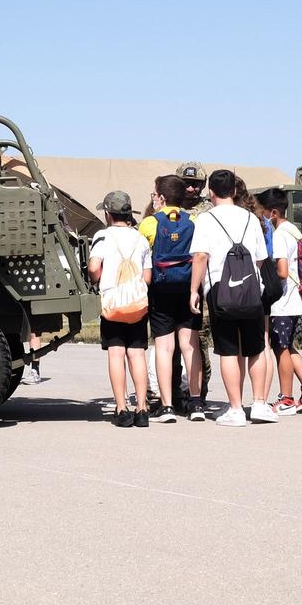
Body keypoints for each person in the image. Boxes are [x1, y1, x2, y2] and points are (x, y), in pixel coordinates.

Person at [188, 169, 277, 427]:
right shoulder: (251, 218)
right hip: (251, 291)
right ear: (235, 191)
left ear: (211, 192)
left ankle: (236, 409)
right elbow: (260, 259)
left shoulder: (206, 220)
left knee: (228, 350)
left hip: (220, 290)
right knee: (256, 348)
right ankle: (259, 403)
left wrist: (194, 290)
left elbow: (200, 257)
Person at [142, 175, 204, 423]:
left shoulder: (149, 224)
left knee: (165, 348)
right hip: (190, 290)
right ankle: (196, 402)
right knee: (191, 347)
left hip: (161, 290)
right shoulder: (195, 221)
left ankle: (167, 405)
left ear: (162, 197)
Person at [90, 190, 153, 428]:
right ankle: (142, 408)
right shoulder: (140, 239)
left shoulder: (102, 236)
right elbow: (147, 277)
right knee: (137, 354)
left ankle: (121, 407)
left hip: (113, 303)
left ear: (107, 213)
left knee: (116, 353)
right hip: (137, 304)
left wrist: (98, 277)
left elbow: (94, 267)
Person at [257, 189, 302, 413]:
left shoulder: (280, 234)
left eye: (262, 212)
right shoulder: (294, 230)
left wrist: (267, 271)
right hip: (295, 299)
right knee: (288, 346)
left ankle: (286, 398)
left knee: (280, 348)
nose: (261, 216)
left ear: (273, 213)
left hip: (283, 300)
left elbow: (283, 271)